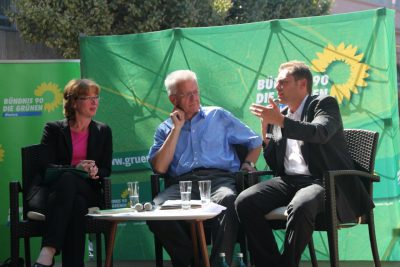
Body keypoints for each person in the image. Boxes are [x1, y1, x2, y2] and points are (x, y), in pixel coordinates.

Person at [235, 61, 374, 267]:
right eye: (277, 83)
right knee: (244, 202)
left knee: (301, 205)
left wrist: (281, 122)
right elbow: (275, 164)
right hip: (288, 181)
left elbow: (320, 133)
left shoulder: (323, 104)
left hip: (324, 181)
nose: (277, 87)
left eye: (284, 82)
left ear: (302, 84)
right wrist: (266, 134)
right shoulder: (280, 115)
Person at [147, 70, 262, 267]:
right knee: (155, 212)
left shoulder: (218, 115)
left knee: (228, 199)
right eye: (187, 94)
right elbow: (159, 167)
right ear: (173, 99)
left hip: (219, 180)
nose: (194, 98)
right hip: (181, 185)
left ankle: (219, 263)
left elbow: (255, 142)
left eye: (196, 92)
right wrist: (176, 129)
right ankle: (193, 261)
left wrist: (248, 163)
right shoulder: (165, 128)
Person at [31, 79, 113, 267]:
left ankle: (48, 250)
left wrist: (95, 171)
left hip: (89, 188)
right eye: (88, 98)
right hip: (58, 192)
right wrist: (74, 169)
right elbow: (45, 166)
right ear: (74, 102)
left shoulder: (103, 130)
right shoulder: (53, 129)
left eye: (96, 97)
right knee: (76, 203)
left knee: (73, 186)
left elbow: (106, 169)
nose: (94, 102)